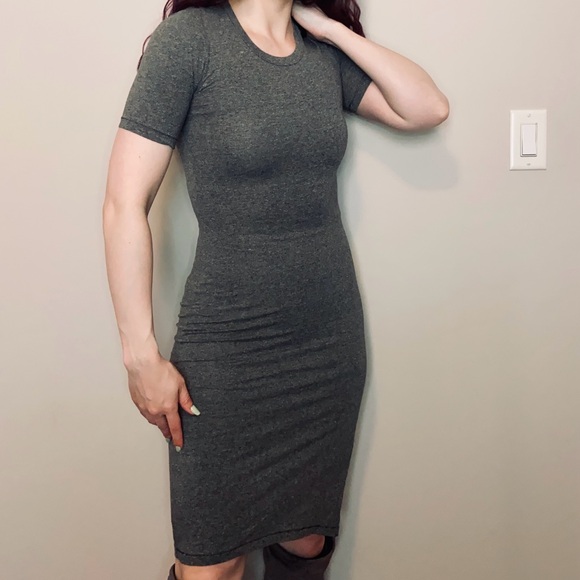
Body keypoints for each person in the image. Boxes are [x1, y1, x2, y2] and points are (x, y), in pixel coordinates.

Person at [102, 0, 449, 578]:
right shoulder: (189, 41)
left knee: (306, 541)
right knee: (212, 563)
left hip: (325, 345)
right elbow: (123, 204)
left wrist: (332, 30)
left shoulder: (321, 53)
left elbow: (428, 108)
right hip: (228, 349)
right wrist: (140, 356)